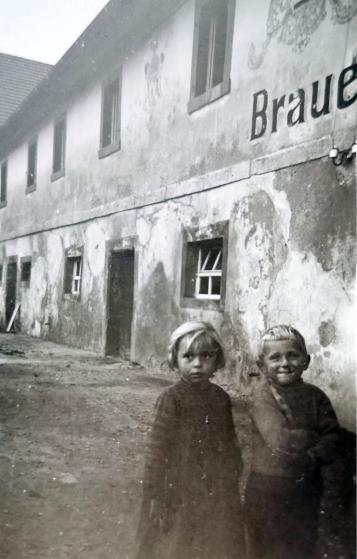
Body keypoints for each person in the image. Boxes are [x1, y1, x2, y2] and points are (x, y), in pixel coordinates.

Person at [136, 321, 246, 559]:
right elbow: (157, 449)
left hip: (216, 487)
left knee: (217, 540)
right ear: (175, 360)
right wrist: (155, 490)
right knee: (178, 542)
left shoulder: (220, 398)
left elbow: (229, 440)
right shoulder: (171, 399)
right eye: (188, 356)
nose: (198, 364)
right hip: (180, 486)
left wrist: (233, 470)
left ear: (217, 360)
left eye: (206, 356)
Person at [245, 325, 341, 559]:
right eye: (275, 357)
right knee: (267, 549)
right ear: (261, 365)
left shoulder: (316, 397)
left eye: (293, 355)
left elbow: (333, 437)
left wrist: (313, 455)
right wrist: (311, 436)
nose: (285, 363)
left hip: (306, 487)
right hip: (268, 489)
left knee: (302, 546)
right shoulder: (262, 396)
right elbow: (279, 440)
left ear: (306, 361)